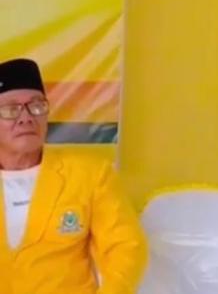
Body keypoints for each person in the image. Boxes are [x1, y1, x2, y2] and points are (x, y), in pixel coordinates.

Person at [0, 58, 148, 294]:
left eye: (36, 106)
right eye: (11, 109)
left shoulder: (90, 174)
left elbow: (126, 247)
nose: (26, 117)